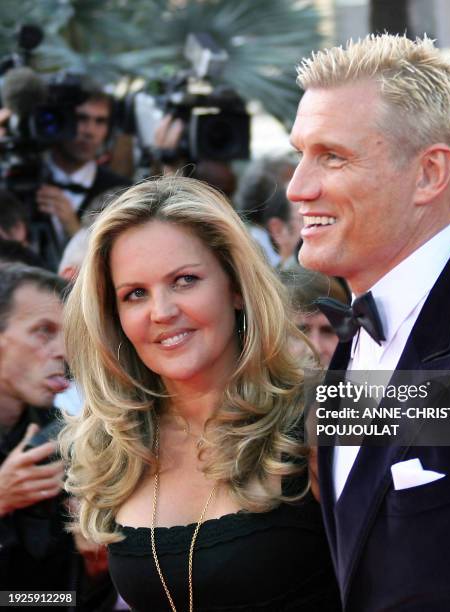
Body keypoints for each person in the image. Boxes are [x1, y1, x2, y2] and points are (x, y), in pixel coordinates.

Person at [287, 34, 450, 611]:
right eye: (299, 154)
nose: (298, 187)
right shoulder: (354, 338)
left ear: (430, 173)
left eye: (332, 156)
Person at [60, 176, 340, 611]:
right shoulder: (112, 443)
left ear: (235, 287)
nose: (163, 312)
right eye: (135, 294)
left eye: (186, 280)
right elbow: (38, 598)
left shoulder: (326, 406)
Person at [0, 263, 72, 592]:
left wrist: (98, 565)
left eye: (67, 335)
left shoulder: (59, 433)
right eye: (44, 330)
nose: (63, 352)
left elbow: (52, 596)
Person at [34, 77, 130, 246]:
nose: (90, 131)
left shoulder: (123, 193)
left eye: (100, 121)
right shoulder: (22, 178)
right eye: (81, 118)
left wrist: (75, 231)